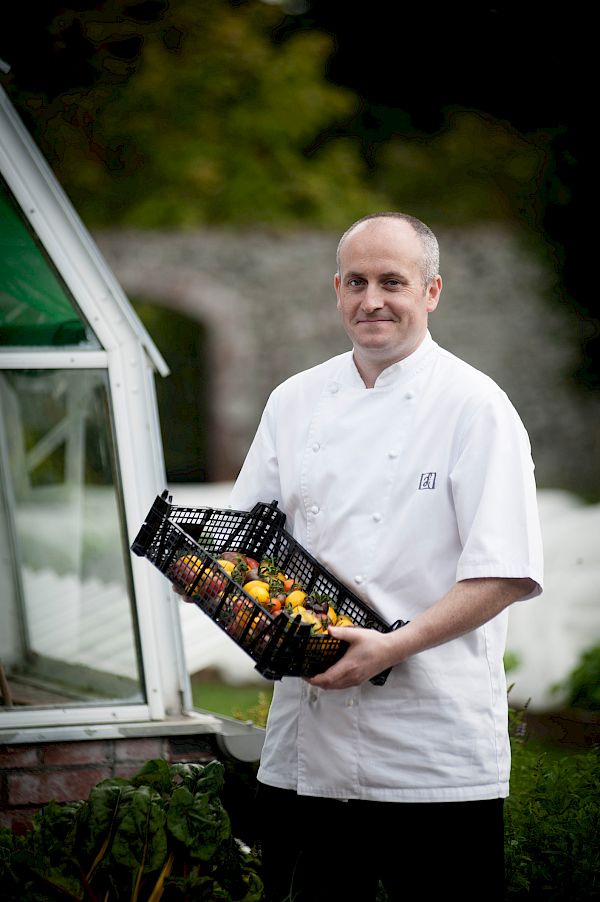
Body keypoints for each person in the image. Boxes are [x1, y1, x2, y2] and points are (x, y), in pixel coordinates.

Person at [226, 212, 544, 901]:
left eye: (393, 282)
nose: (372, 300)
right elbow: (244, 541)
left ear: (432, 292)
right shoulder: (294, 400)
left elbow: (504, 572)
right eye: (357, 282)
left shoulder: (475, 406)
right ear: (337, 290)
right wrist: (229, 595)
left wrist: (391, 647)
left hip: (431, 750)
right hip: (307, 746)